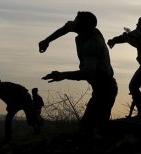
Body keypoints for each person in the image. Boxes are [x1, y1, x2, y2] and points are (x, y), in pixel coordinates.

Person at [39, 11, 118, 141]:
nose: (72, 23)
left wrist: (63, 75)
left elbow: (87, 72)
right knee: (90, 128)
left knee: (94, 129)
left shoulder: (93, 44)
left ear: (83, 25)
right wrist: (47, 41)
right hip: (100, 88)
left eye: (76, 21)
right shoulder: (91, 31)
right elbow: (66, 28)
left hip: (105, 89)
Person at [108, 17, 141, 129]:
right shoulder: (139, 32)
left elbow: (138, 44)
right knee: (133, 86)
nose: (136, 25)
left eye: (138, 24)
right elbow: (126, 37)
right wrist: (114, 40)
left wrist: (128, 38)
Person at [0, 74, 35, 142]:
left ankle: (37, 129)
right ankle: (8, 138)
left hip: (24, 98)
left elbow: (12, 97)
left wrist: (10, 106)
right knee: (9, 119)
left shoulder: (2, 88)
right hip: (21, 99)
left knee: (30, 120)